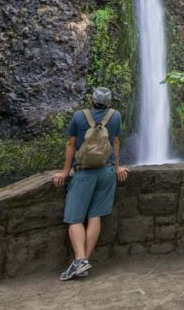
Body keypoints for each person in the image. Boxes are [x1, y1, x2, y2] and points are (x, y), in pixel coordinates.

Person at [52, 87, 129, 281]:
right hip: (107, 172)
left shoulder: (79, 116)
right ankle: (84, 262)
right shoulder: (115, 116)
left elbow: (71, 144)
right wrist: (118, 167)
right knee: (95, 216)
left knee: (74, 219)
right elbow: (116, 142)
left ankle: (79, 260)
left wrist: (64, 172)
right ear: (109, 102)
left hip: (84, 173)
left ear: (92, 100)